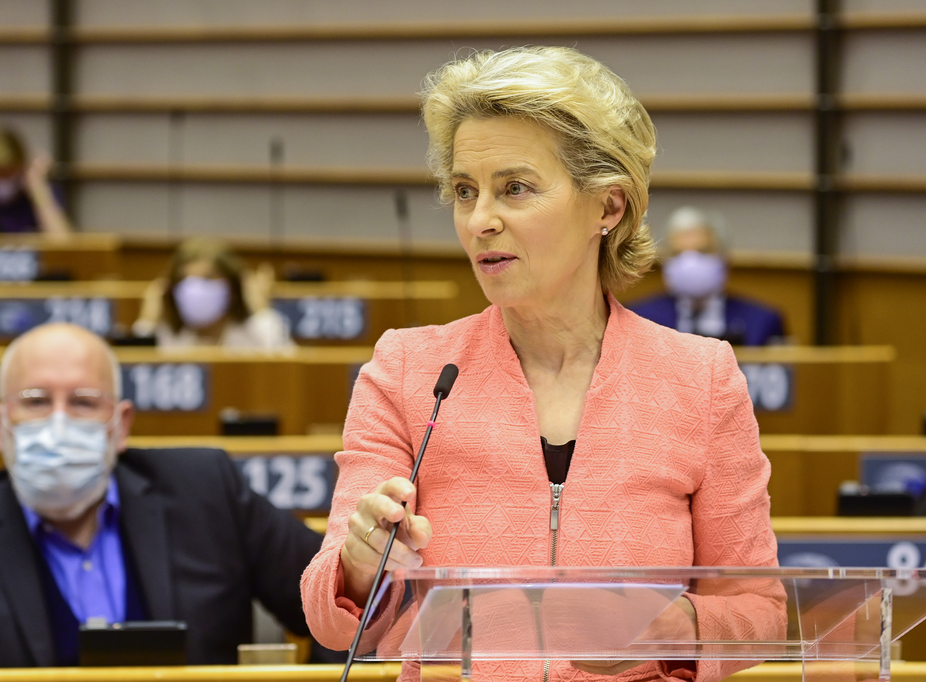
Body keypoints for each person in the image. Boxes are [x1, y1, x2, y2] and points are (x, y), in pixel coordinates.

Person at [301, 46, 785, 682]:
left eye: (516, 189)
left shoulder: (701, 378)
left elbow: (761, 611)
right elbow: (329, 616)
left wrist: (669, 627)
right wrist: (361, 563)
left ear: (607, 208)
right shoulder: (408, 369)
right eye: (465, 192)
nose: (480, 221)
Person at [0, 323, 321, 667]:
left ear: (120, 425)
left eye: (84, 402)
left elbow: (347, 605)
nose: (59, 423)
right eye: (36, 401)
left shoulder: (208, 491)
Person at [628, 206, 786, 346]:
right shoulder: (638, 318)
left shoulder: (762, 322)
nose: (690, 263)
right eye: (678, 253)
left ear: (724, 259)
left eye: (703, 251)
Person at [132, 238, 295, 350]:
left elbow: (291, 371)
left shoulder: (253, 333)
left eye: (207, 278)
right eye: (185, 279)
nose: (194, 290)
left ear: (232, 288)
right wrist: (147, 322)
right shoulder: (167, 336)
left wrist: (262, 312)